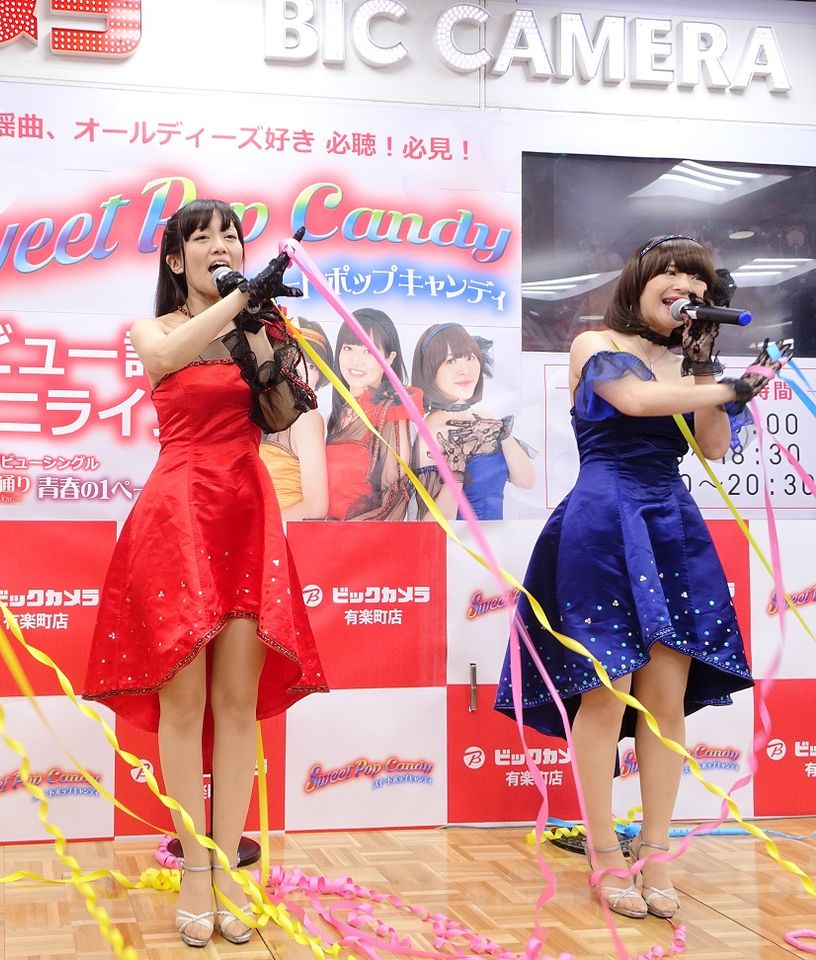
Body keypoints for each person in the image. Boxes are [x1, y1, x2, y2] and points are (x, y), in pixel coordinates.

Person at [493, 234, 788, 921]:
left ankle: (655, 852)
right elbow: (631, 400)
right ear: (640, 282)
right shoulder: (594, 344)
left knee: (666, 699)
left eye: (697, 280)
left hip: (670, 525)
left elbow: (712, 445)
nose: (685, 286)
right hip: (601, 524)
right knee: (605, 696)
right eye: (671, 273)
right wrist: (730, 384)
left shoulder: (692, 366)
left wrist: (708, 370)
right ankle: (603, 852)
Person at [83, 200, 327, 947]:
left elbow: (282, 416)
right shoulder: (154, 329)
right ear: (174, 257)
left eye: (232, 236)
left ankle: (228, 869)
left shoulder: (258, 325)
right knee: (183, 703)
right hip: (178, 511)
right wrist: (239, 301)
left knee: (238, 702)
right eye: (204, 237)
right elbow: (166, 360)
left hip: (247, 507)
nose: (221, 245)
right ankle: (194, 868)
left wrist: (268, 332)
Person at [411, 322, 534, 520]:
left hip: (498, 536)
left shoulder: (486, 417)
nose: (465, 370)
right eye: (451, 361)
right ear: (429, 371)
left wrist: (502, 434)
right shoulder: (431, 434)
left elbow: (526, 481)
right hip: (459, 540)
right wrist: (456, 474)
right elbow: (431, 524)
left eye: (470, 357)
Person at [324, 308, 421, 520]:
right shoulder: (338, 414)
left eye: (368, 351)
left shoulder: (391, 412)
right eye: (348, 348)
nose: (355, 361)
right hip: (324, 534)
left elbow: (394, 499)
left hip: (363, 536)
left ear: (389, 358)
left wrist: (346, 534)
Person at [260, 317, 331, 520]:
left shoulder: (307, 419)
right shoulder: (259, 413)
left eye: (312, 366)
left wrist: (261, 527)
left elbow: (316, 507)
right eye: (294, 359)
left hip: (279, 533)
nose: (301, 372)